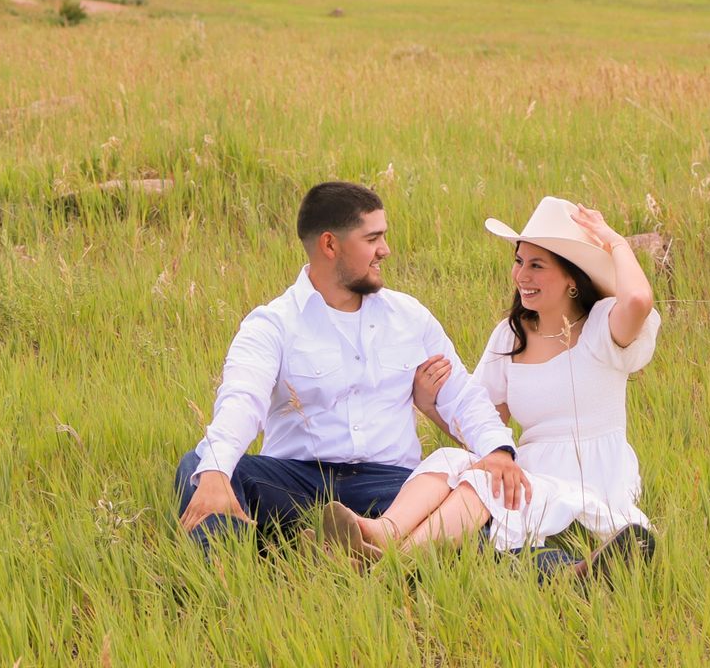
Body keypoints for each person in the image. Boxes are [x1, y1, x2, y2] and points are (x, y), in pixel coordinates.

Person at [319, 197, 661, 581]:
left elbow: (638, 299)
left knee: (484, 484)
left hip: (590, 476)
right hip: (530, 472)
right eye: (519, 262)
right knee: (452, 461)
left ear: (571, 278)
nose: (521, 276)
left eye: (536, 265)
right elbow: (485, 432)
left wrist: (613, 241)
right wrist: (431, 407)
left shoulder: (603, 326)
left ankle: (394, 566)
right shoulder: (510, 336)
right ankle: (383, 533)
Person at [174, 181, 529, 551]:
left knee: (476, 503)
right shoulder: (273, 324)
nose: (385, 250)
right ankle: (228, 573)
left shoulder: (409, 317)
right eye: (372, 238)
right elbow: (241, 400)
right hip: (297, 482)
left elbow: (462, 396)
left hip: (393, 487)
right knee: (202, 466)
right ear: (330, 245)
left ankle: (562, 572)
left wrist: (497, 451)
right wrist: (216, 468)